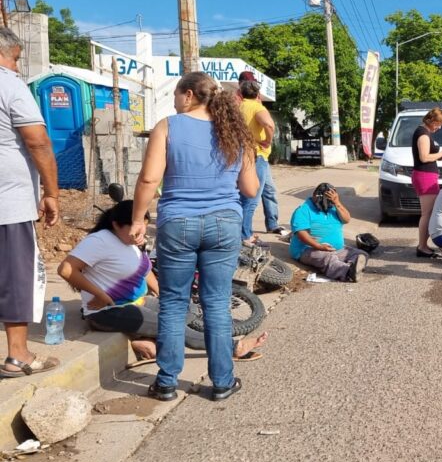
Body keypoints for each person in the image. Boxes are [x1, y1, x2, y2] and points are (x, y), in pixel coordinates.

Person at [130, 72, 259, 402]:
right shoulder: (235, 134)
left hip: (178, 223)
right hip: (224, 224)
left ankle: (167, 382)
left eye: (175, 94)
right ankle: (222, 382)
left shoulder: (168, 126)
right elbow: (250, 189)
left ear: (188, 95)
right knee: (216, 303)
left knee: (174, 303)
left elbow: (148, 180)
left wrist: (138, 219)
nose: (174, 101)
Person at [58, 201, 268, 366]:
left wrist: (164, 296)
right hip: (109, 310)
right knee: (173, 327)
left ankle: (142, 339)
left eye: (144, 228)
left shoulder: (131, 240)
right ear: (115, 225)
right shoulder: (100, 241)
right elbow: (66, 269)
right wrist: (102, 296)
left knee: (186, 309)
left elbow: (145, 269)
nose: (141, 235)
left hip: (139, 301)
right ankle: (233, 348)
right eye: (136, 229)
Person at [0, 27, 61, 378]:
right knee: (14, 274)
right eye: (17, 59)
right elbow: (37, 142)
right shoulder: (9, 85)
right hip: (8, 199)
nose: (18, 68)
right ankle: (18, 355)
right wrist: (51, 193)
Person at [237, 71, 286, 243]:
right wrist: (267, 140)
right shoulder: (258, 108)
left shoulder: (239, 107)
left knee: (268, 190)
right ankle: (245, 235)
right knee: (251, 198)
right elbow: (269, 124)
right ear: (258, 93)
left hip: (248, 155)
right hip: (257, 156)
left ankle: (271, 223)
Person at [289, 183, 369, 282]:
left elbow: (347, 219)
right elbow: (301, 233)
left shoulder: (333, 206)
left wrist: (337, 203)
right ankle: (348, 272)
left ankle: (352, 266)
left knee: (360, 254)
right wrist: (318, 246)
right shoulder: (303, 210)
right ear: (315, 196)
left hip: (336, 249)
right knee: (328, 258)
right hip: (308, 249)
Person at [411, 107, 442, 258]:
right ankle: (422, 246)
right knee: (427, 213)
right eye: (438, 123)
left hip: (427, 174)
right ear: (430, 120)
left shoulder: (425, 133)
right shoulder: (423, 134)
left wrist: (440, 156)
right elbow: (423, 157)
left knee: (429, 213)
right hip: (424, 176)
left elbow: (428, 155)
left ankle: (424, 245)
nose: (439, 127)